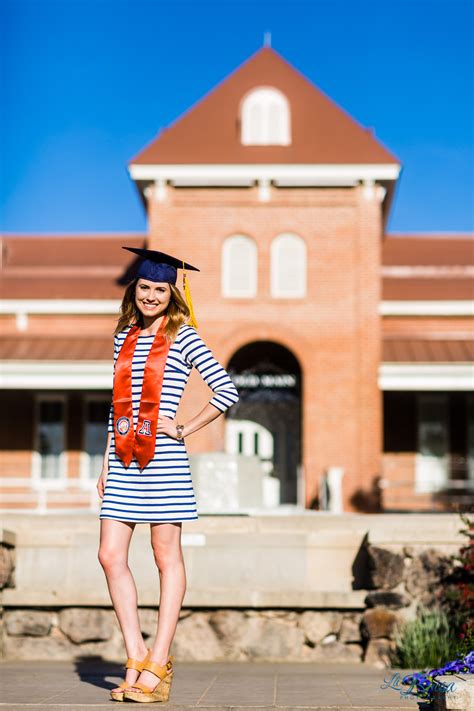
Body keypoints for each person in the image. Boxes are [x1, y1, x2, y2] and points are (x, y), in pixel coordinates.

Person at [97, 246, 239, 703]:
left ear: (172, 293)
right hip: (121, 459)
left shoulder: (185, 337)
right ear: (134, 289)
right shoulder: (123, 338)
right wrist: (104, 463)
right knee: (109, 555)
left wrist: (183, 428)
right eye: (145, 287)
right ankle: (136, 655)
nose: (152, 295)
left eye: (160, 289)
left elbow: (226, 390)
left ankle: (158, 663)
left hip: (163, 462)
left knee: (165, 556)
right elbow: (116, 405)